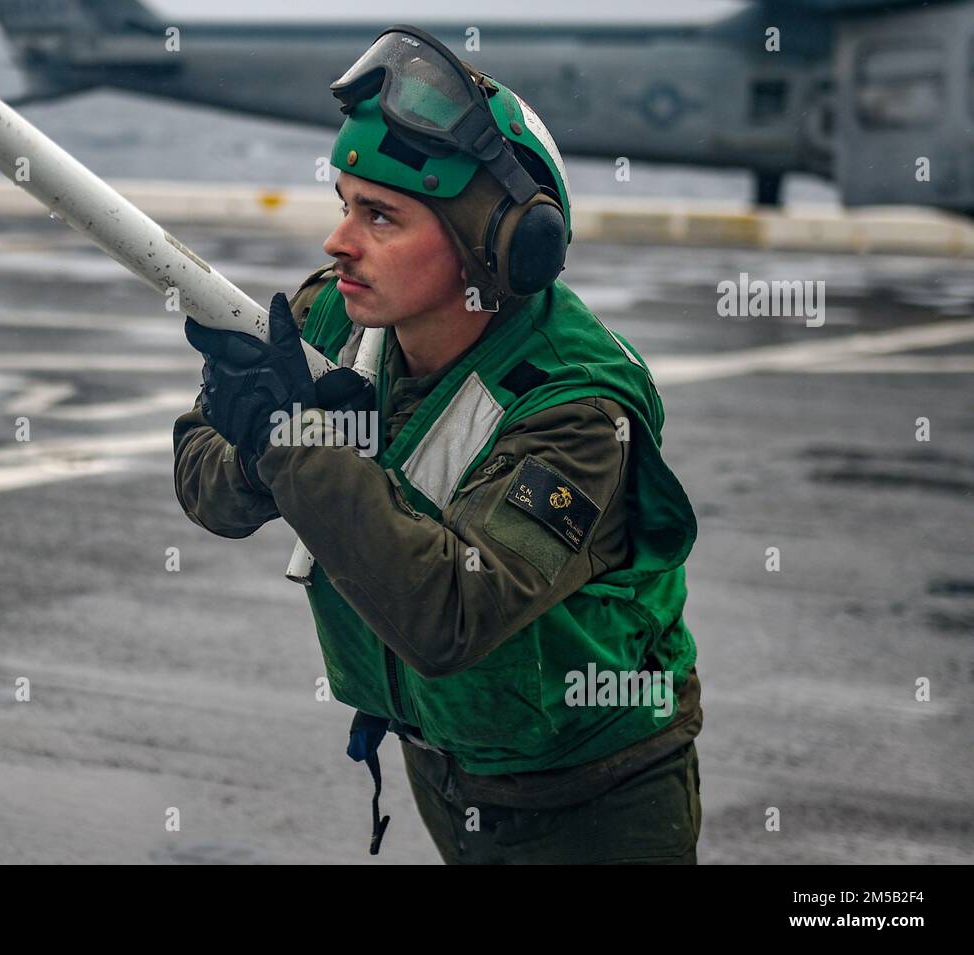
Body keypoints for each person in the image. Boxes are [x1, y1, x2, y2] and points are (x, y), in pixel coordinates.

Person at [173, 25, 702, 864]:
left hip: (594, 792)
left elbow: (454, 613)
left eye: (380, 216)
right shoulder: (337, 315)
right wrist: (253, 449)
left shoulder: (574, 408)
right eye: (344, 205)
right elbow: (200, 472)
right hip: (443, 765)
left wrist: (297, 443)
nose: (337, 242)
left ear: (492, 246)